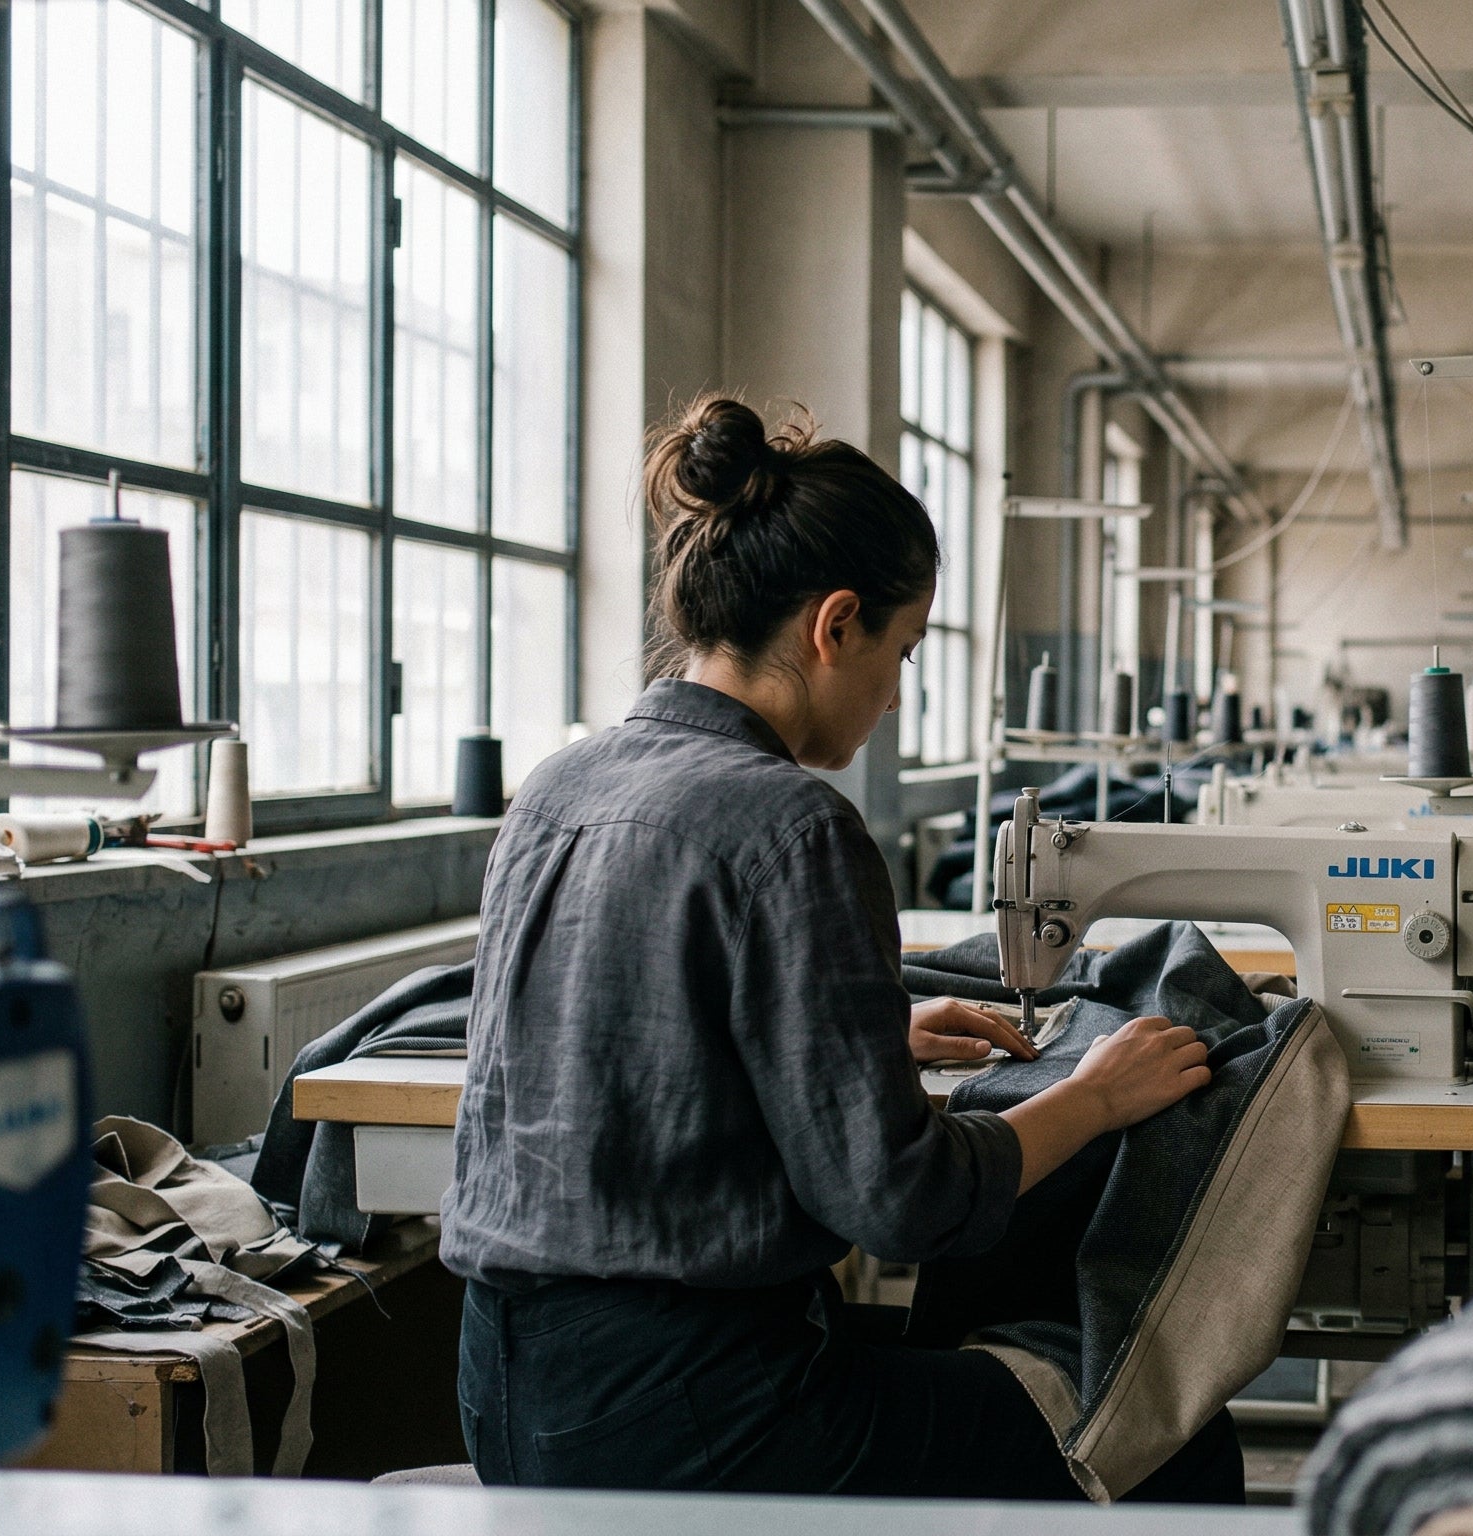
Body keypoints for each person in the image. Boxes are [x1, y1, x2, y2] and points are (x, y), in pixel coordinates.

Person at [442, 397, 1241, 1501]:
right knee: (1169, 1431)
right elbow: (901, 1204)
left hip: (505, 1387)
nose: (896, 695)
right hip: (694, 1418)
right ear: (835, 625)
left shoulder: (560, 783)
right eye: (901, 652)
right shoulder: (793, 824)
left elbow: (614, 1041)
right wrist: (1096, 1096)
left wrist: (857, 1035)